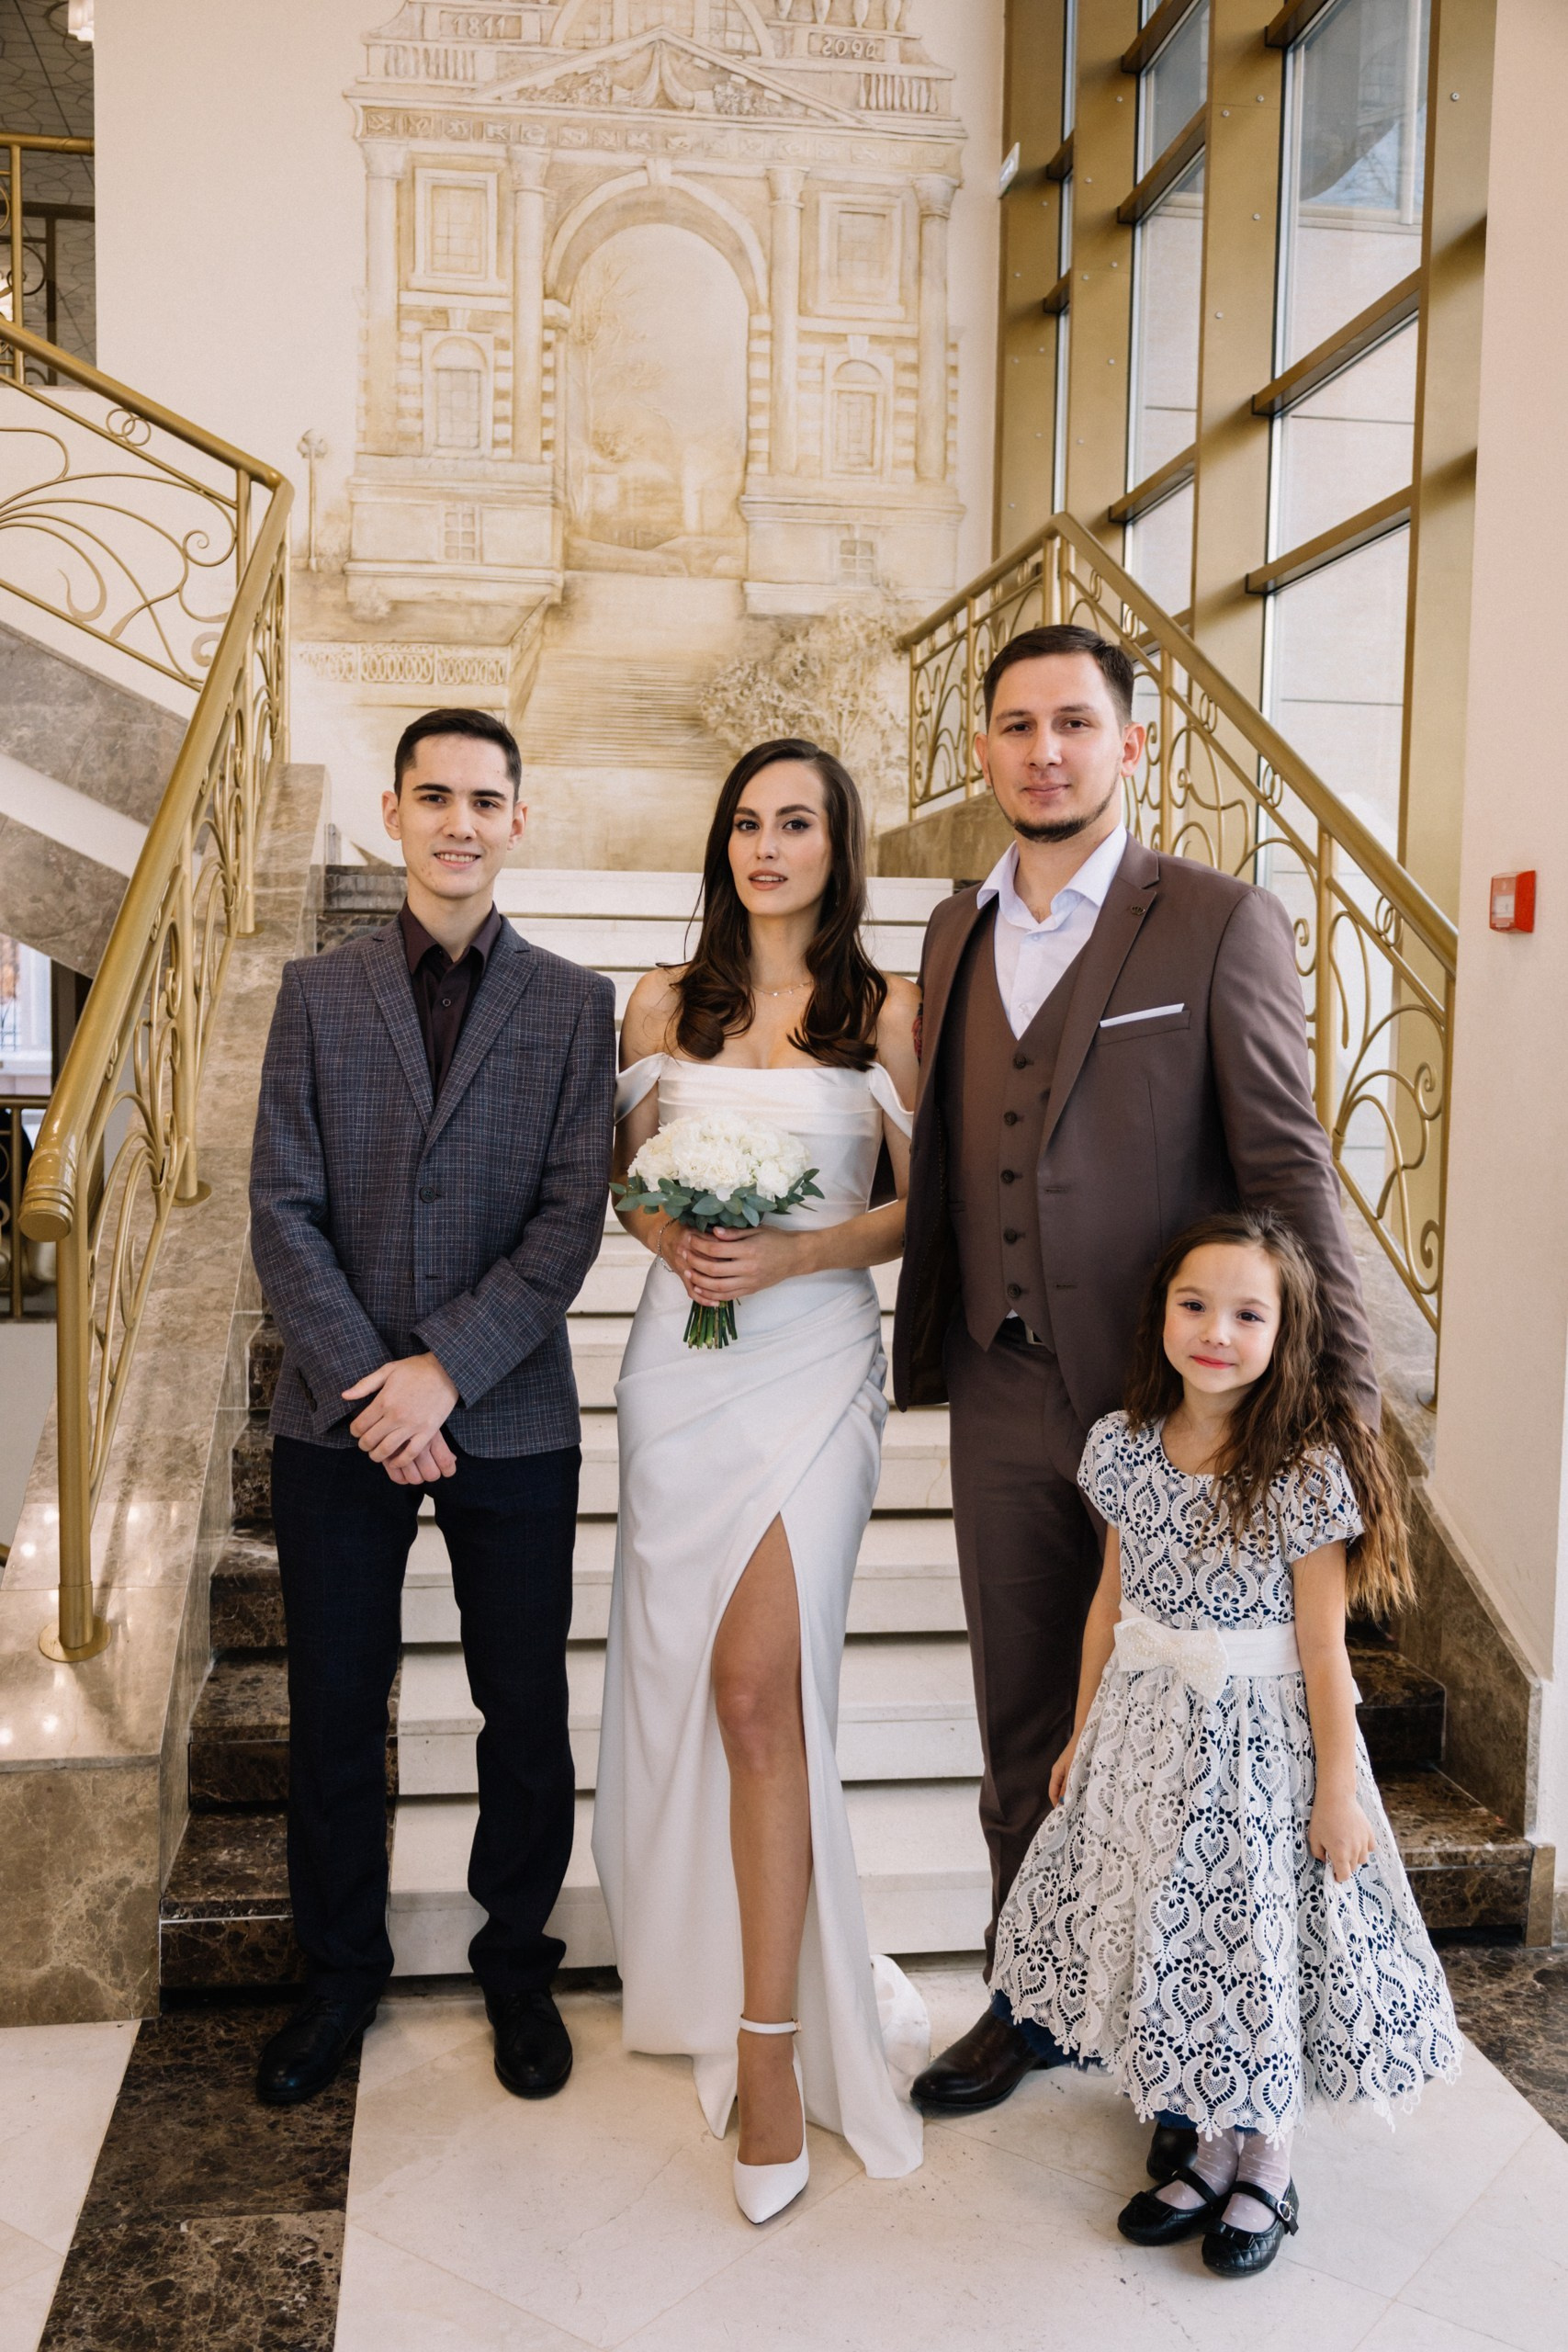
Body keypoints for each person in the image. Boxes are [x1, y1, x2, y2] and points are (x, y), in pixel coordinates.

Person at [893, 624, 1380, 2173]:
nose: (1043, 750)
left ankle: (1192, 2049)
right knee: (1021, 1711)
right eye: (1015, 724)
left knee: (1188, 1741)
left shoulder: (1218, 921)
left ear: (1130, 743)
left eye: (1073, 723)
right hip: (998, 1378)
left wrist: (1345, 1408)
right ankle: (1028, 1992)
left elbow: (1285, 1164)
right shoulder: (951, 927)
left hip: (1177, 1418)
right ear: (983, 748)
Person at [248, 707, 614, 2108]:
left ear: (519, 819)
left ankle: (515, 1965)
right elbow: (281, 1209)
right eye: (434, 796)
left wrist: (445, 1370)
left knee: (522, 1708)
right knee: (336, 1710)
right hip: (334, 1419)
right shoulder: (314, 992)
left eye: (484, 799)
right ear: (393, 813)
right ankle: (339, 1975)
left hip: (508, 1414)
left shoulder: (574, 1004)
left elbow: (569, 1221)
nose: (459, 821)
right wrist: (375, 1388)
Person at [989, 1209, 1460, 2276]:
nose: (1215, 1330)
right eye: (1195, 1304)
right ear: (1160, 1311)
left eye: (1248, 1313)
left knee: (1250, 1940)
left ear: (1286, 1332)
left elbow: (1325, 1652)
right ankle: (1206, 2149)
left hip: (1257, 1752)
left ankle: (1268, 2165)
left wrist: (1337, 1791)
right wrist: (1082, 1734)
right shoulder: (1124, 1446)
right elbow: (1108, 1605)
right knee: (1182, 1934)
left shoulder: (1300, 1470)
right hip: (1148, 1737)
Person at [594, 738, 926, 2223]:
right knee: (698, 1691)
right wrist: (671, 1232)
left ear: (837, 847)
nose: (766, 846)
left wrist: (793, 1254)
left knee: (757, 1692)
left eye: (796, 823)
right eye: (745, 821)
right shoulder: (661, 1002)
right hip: (679, 1369)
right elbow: (624, 1182)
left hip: (813, 1366)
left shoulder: (887, 1012)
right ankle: (711, 1968)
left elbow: (916, 1207)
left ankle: (773, 2048)